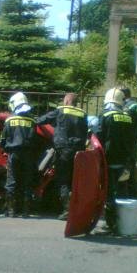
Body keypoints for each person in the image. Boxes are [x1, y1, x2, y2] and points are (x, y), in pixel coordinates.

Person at [37, 92, 88, 220]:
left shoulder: (60, 111)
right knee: (73, 179)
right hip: (79, 152)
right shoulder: (83, 114)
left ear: (66, 101)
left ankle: (66, 210)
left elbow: (41, 120)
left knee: (62, 180)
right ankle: (76, 208)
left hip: (63, 150)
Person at [98, 88, 136, 233]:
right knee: (120, 190)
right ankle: (122, 223)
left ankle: (110, 224)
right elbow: (132, 138)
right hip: (123, 159)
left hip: (108, 158)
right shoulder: (128, 117)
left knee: (108, 192)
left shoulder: (105, 115)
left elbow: (99, 136)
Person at [1, 92, 37, 217]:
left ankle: (11, 210)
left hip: (13, 154)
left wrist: (5, 150)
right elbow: (34, 139)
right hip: (28, 154)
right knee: (27, 181)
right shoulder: (32, 120)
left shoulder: (9, 120)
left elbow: (4, 139)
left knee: (12, 181)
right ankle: (26, 211)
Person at [121, 87, 137, 198]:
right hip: (135, 143)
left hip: (126, 143)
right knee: (132, 171)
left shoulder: (128, 107)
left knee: (125, 172)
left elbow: (124, 125)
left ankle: (126, 197)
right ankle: (132, 195)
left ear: (123, 95)